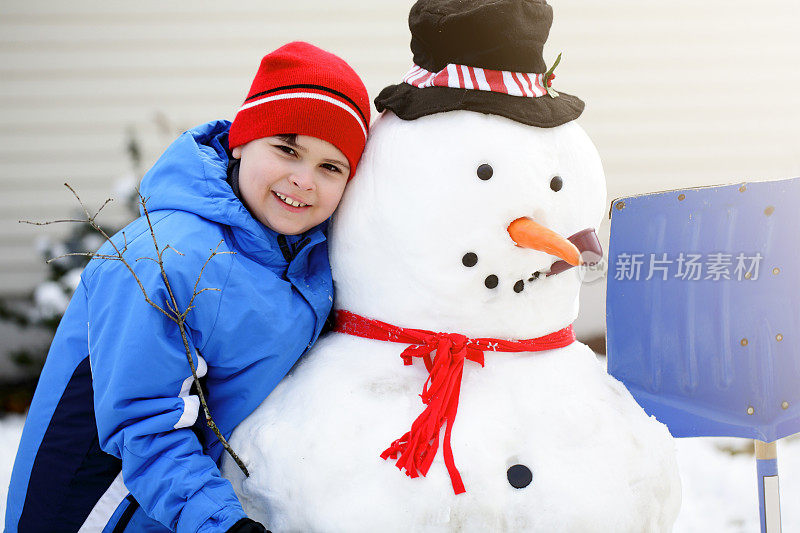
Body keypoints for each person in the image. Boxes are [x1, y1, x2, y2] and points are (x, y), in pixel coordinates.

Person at [5, 41, 370, 532]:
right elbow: (146, 428)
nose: (304, 180)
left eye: (331, 167)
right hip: (102, 507)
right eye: (287, 149)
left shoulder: (303, 256)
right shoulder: (166, 259)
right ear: (240, 141)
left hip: (181, 505)